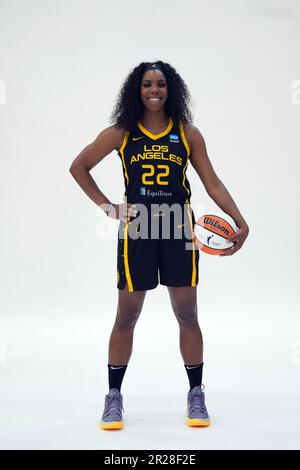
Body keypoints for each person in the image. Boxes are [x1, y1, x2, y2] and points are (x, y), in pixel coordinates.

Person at [69, 60, 249, 431]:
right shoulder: (122, 132)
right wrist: (109, 208)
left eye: (161, 84)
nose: (155, 90)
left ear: (171, 90)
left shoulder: (187, 133)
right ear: (137, 89)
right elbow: (79, 166)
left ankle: (196, 393)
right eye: (147, 84)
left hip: (179, 229)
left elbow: (211, 182)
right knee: (127, 317)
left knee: (187, 315)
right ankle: (114, 397)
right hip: (138, 232)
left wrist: (239, 219)